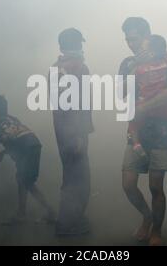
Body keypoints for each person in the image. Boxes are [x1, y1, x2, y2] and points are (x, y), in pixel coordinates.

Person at [119, 17, 167, 246]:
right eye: (127, 39)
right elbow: (120, 94)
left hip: (163, 129)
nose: (130, 43)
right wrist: (135, 66)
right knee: (128, 183)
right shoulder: (127, 63)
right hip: (136, 130)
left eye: (133, 38)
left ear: (147, 36)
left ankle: (157, 230)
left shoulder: (165, 58)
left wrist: (143, 107)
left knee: (156, 185)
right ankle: (147, 216)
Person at [0, 95, 55, 224]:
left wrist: (0, 138)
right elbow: (18, 137)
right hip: (33, 145)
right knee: (23, 180)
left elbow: (9, 135)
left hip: (26, 150)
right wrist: (4, 151)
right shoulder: (12, 118)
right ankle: (22, 212)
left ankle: (48, 211)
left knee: (26, 182)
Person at [51, 28, 94, 236]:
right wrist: (78, 135)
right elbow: (76, 104)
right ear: (77, 45)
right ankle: (68, 225)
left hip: (63, 134)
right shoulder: (78, 67)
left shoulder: (55, 68)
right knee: (80, 181)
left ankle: (69, 221)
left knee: (70, 177)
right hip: (74, 134)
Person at [127, 34, 167, 158]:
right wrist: (161, 52)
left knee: (132, 120)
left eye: (144, 48)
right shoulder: (165, 62)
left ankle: (137, 145)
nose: (141, 50)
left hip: (143, 102)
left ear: (150, 52)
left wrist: (136, 63)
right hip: (162, 104)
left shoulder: (141, 68)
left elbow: (129, 82)